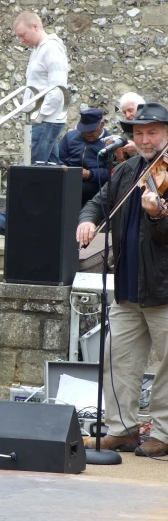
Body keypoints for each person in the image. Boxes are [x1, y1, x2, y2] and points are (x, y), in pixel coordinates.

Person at [77, 102, 168, 458]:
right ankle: (122, 429)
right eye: (139, 133)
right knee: (118, 359)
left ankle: (161, 431)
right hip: (128, 287)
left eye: (153, 132)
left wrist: (158, 215)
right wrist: (87, 219)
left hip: (163, 288)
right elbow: (97, 204)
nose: (144, 139)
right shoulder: (126, 171)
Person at [13, 11, 68, 164]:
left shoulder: (51, 48)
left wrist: (41, 116)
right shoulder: (39, 49)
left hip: (46, 119)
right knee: (50, 168)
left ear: (35, 27)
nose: (21, 40)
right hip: (43, 118)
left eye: (23, 35)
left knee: (31, 167)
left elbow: (58, 87)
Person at [58, 108, 110, 207]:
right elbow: (58, 158)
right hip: (68, 178)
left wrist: (89, 174)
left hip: (94, 183)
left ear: (102, 124)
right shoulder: (70, 137)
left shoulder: (110, 143)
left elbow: (111, 172)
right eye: (84, 130)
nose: (87, 134)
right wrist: (61, 166)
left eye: (91, 130)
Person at [112, 92, 146, 162]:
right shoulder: (126, 135)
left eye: (130, 110)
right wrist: (119, 155)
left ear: (141, 108)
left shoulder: (156, 127)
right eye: (124, 112)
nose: (127, 115)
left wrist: (138, 149)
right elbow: (125, 168)